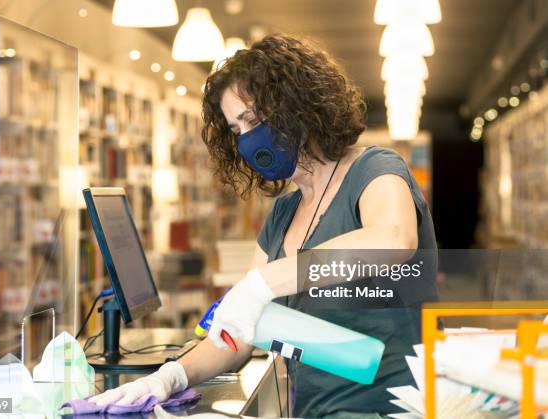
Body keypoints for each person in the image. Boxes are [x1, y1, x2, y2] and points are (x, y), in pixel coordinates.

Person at [89, 33, 437, 418]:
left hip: (388, 409)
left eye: (253, 119)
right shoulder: (284, 214)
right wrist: (168, 377)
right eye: (236, 130)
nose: (248, 139)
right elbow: (236, 334)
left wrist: (261, 284)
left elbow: (392, 238)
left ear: (299, 106)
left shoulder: (375, 169)